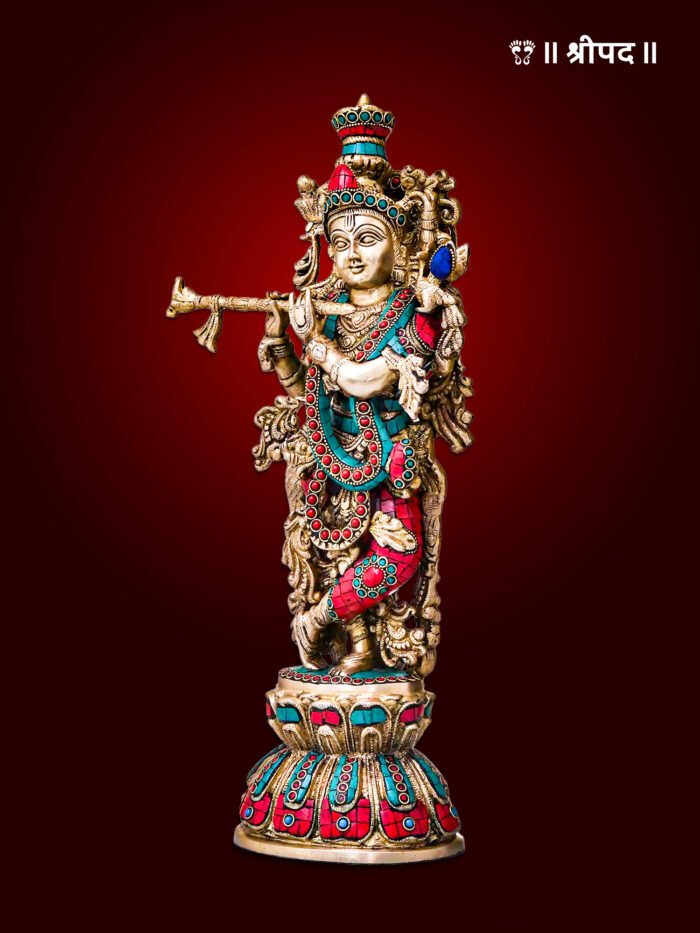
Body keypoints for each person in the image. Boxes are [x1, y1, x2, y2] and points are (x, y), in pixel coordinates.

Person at [253, 95, 472, 676]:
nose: (352, 254)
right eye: (340, 242)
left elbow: (365, 378)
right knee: (332, 552)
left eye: (368, 238)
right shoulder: (327, 312)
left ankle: (319, 620)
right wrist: (283, 346)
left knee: (397, 556)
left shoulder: (415, 312)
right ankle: (357, 647)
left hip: (392, 457)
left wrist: (314, 344)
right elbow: (309, 394)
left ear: (399, 245)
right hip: (330, 457)